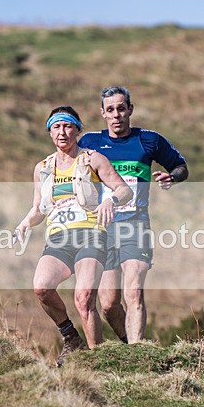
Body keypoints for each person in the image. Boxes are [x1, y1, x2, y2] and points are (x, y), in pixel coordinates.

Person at [16, 106, 132, 367]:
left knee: (84, 298)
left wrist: (110, 201)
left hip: (91, 234)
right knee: (42, 287)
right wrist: (25, 223)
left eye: (68, 126)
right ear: (49, 132)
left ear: (78, 129)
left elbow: (125, 191)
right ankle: (71, 337)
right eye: (56, 127)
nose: (62, 132)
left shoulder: (93, 159)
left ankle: (97, 362)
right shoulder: (43, 168)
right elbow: (38, 209)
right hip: (59, 238)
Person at [78, 86, 188, 344]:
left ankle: (137, 354)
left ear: (130, 109)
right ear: (102, 113)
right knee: (107, 304)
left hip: (135, 225)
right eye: (110, 110)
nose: (116, 115)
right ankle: (129, 345)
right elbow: (65, 163)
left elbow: (181, 167)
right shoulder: (90, 143)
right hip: (102, 229)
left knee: (134, 291)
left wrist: (171, 176)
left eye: (121, 108)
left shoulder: (149, 140)